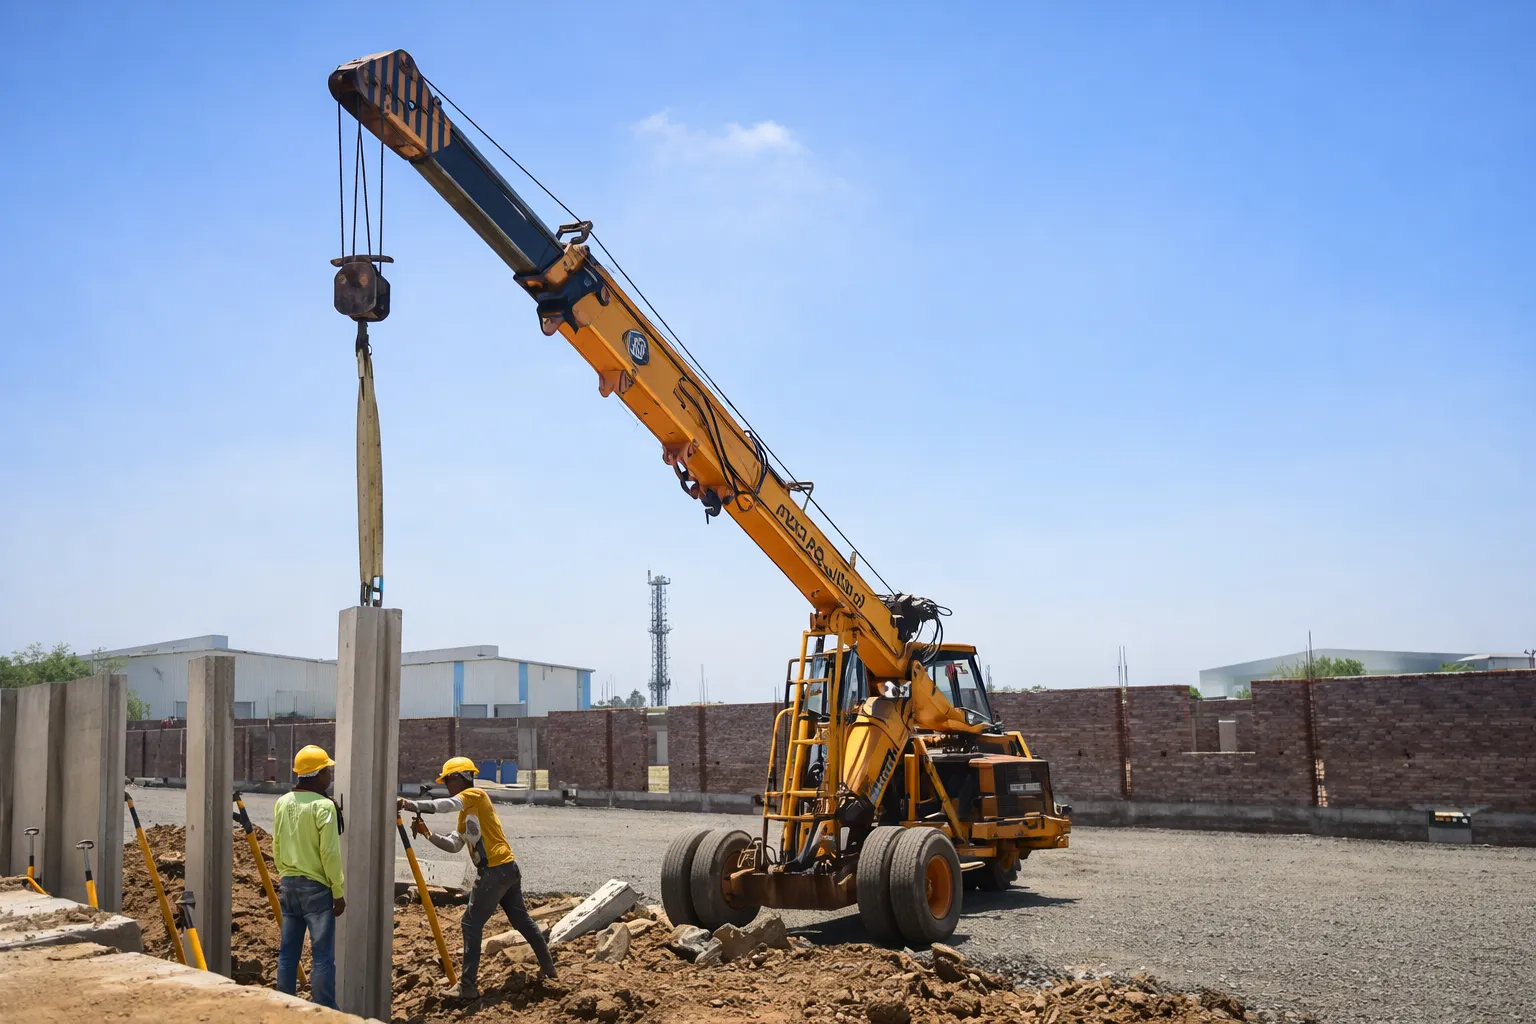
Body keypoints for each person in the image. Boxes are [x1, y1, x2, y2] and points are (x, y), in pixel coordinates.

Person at [399, 756, 556, 999]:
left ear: (459, 777)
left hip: (495, 871)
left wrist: (411, 804)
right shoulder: (465, 814)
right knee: (522, 921)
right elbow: (454, 845)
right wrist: (428, 834)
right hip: (507, 869)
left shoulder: (476, 795)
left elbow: (446, 804)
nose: (446, 785)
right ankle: (550, 971)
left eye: (447, 780)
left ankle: (468, 986)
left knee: (470, 923)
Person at [271, 744, 345, 1009]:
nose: (329, 776)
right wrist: (338, 891)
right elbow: (329, 853)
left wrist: (286, 875)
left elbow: (276, 845)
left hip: (288, 885)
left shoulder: (282, 802)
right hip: (316, 888)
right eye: (327, 771)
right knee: (322, 955)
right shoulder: (324, 806)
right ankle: (324, 1009)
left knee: (288, 952)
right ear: (317, 774)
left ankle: (284, 1005)